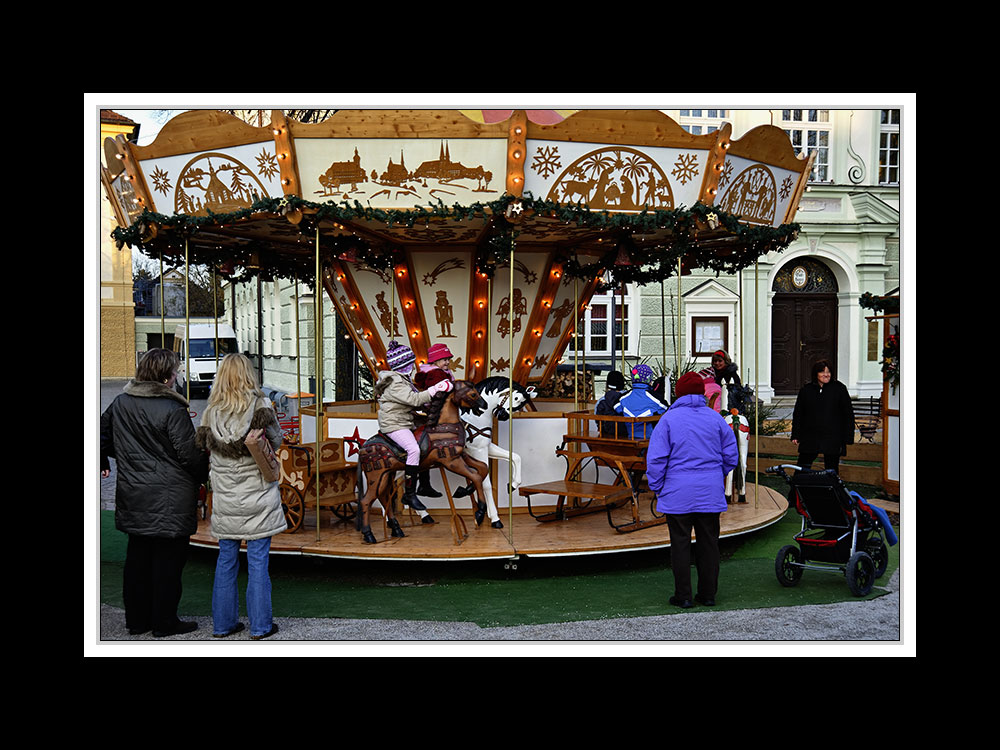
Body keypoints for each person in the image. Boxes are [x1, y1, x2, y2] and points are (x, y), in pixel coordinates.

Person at [100, 348, 208, 637]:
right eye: (175, 371)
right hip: (171, 496)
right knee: (168, 563)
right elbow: (190, 455)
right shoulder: (172, 409)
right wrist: (205, 475)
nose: (178, 375)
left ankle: (137, 620)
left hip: (134, 492)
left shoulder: (121, 402)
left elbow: (100, 435)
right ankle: (164, 621)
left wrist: (112, 456)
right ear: (166, 377)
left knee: (137, 558)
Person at [195, 353, 286, 640]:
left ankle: (223, 625)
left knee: (226, 560)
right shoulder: (259, 405)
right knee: (258, 561)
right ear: (248, 374)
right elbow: (278, 440)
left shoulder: (211, 412)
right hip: (258, 495)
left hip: (226, 498)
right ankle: (260, 627)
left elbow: (203, 448)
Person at [646, 372, 738, 609]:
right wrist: (717, 476)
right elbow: (731, 455)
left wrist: (657, 487)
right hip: (709, 491)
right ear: (701, 392)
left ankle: (683, 596)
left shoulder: (668, 420)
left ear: (678, 393)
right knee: (709, 544)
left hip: (677, 493)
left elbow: (656, 459)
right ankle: (708, 594)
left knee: (680, 544)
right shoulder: (715, 418)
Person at [375, 340, 452, 511]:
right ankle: (410, 494)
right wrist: (435, 389)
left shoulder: (403, 380)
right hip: (394, 424)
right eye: (411, 362)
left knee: (425, 445)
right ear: (405, 364)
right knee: (414, 449)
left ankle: (424, 485)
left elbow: (414, 402)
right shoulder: (395, 382)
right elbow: (413, 399)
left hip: (404, 421)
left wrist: (427, 405)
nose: (414, 365)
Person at [791, 359, 855, 473]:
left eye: (828, 372)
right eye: (822, 372)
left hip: (833, 437)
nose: (826, 374)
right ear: (816, 374)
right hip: (810, 436)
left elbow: (848, 414)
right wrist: (795, 434)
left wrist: (848, 437)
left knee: (831, 469)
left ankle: (831, 490)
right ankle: (798, 490)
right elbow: (798, 414)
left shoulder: (839, 389)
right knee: (803, 466)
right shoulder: (806, 390)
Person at [412, 342, 456, 500]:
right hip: (437, 411)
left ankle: (424, 483)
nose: (447, 362)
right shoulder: (436, 374)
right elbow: (439, 395)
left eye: (448, 359)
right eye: (444, 359)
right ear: (435, 361)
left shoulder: (439, 372)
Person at [613, 364, 667, 439]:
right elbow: (664, 408)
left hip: (629, 436)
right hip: (649, 438)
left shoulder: (623, 398)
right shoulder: (654, 398)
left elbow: (616, 407)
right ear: (649, 379)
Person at [595, 370, 628, 437]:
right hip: (627, 434)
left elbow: (597, 420)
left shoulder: (602, 401)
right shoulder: (628, 398)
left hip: (605, 435)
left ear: (607, 384)